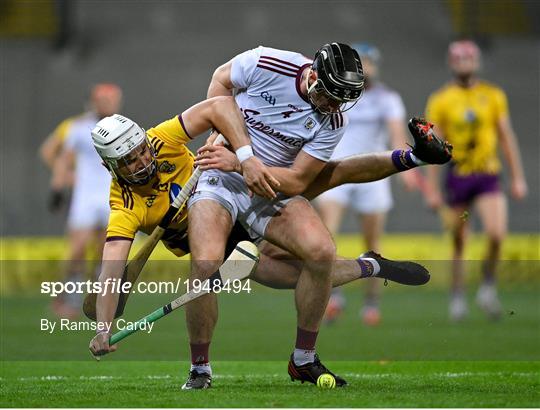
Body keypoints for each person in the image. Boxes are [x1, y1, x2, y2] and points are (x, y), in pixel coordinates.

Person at [182, 43, 450, 389]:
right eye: (330, 95)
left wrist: (245, 161)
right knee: (207, 264)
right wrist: (226, 135)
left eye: (342, 99)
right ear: (314, 75)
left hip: (271, 187)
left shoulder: (334, 118)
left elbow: (296, 180)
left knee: (320, 251)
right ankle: (200, 369)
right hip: (221, 179)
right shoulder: (267, 62)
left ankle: (304, 359)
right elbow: (220, 81)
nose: (334, 106)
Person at [316, 44, 422, 326]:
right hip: (336, 170)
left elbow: (397, 134)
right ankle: (334, 298)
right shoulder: (338, 93)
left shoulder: (388, 99)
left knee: (373, 244)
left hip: (372, 174)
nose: (367, 68)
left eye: (370, 63)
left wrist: (407, 168)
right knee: (326, 238)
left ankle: (371, 303)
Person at [424, 40, 527, 321]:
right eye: (459, 59)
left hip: (487, 173)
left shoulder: (493, 95)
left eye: (468, 59)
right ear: (451, 63)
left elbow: (506, 137)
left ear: (477, 62)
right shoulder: (441, 99)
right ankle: (457, 298)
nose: (464, 64)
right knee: (459, 240)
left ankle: (487, 287)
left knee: (496, 233)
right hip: (457, 175)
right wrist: (431, 188)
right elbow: (432, 145)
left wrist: (517, 177)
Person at [48, 83, 123, 319]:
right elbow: (63, 158)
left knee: (103, 253)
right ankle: (66, 299)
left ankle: (94, 301)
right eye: (102, 99)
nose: (107, 103)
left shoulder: (121, 126)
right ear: (93, 101)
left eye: (111, 99)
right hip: (85, 197)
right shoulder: (78, 128)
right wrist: (58, 186)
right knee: (77, 249)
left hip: (110, 195)